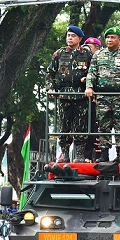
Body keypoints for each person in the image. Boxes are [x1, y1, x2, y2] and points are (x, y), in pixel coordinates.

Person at [85, 27, 120, 164]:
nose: (109, 40)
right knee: (103, 125)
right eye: (107, 37)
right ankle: (104, 154)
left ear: (119, 39)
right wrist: (89, 86)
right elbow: (92, 72)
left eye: (113, 37)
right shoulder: (98, 54)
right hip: (102, 96)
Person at [47, 26, 93, 162]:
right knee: (64, 125)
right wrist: (51, 88)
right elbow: (50, 73)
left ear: (80, 38)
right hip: (63, 94)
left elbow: (93, 72)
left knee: (81, 125)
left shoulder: (86, 53)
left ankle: (79, 154)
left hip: (81, 94)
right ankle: (65, 154)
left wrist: (89, 84)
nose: (70, 38)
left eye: (73, 36)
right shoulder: (59, 53)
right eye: (68, 35)